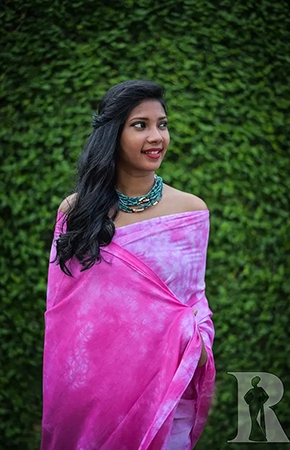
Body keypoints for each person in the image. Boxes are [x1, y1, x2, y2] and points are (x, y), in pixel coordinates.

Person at [41, 80, 215, 450]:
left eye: (162, 124)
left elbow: (194, 301)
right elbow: (62, 317)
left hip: (161, 392)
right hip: (91, 397)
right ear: (113, 134)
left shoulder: (190, 212)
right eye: (141, 125)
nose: (157, 136)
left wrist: (198, 343)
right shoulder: (77, 213)